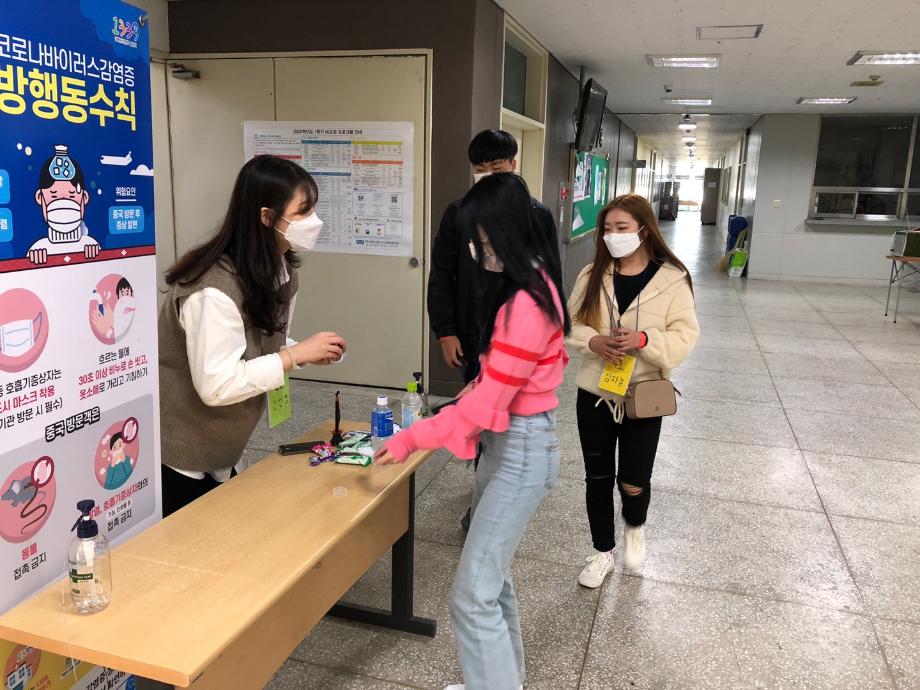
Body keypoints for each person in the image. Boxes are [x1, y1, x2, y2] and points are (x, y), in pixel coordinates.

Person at [376, 173, 570, 690]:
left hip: (521, 453)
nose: (479, 252)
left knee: (472, 595)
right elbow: (500, 381)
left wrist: (410, 438)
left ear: (506, 231)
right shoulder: (530, 285)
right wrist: (479, 386)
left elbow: (485, 408)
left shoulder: (528, 302)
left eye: (483, 241)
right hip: (510, 447)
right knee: (491, 580)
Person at [157, 156, 346, 517]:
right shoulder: (213, 289)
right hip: (181, 451)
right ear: (266, 217)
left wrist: (305, 352)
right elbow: (217, 384)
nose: (314, 221)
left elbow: (260, 347)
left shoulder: (281, 271)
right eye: (303, 211)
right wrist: (293, 356)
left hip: (226, 443)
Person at [428, 129, 559, 532]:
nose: (487, 174)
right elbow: (441, 273)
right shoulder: (458, 212)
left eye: (496, 166)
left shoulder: (537, 215)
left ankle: (494, 499)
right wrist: (446, 331)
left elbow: (550, 278)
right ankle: (483, 495)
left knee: (509, 418)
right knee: (482, 420)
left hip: (519, 339)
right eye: (480, 168)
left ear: (513, 165)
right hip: (472, 335)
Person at [567, 193, 699, 588]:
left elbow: (686, 335)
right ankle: (602, 551)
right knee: (597, 476)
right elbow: (569, 323)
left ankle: (635, 526)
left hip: (644, 394)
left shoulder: (672, 279)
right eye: (607, 229)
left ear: (643, 230)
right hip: (596, 392)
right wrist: (593, 341)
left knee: (633, 479)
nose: (613, 235)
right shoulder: (592, 275)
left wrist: (644, 340)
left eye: (621, 228)